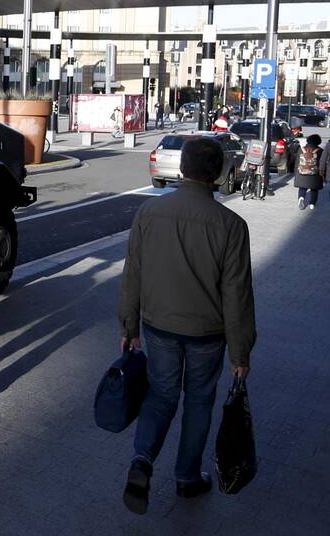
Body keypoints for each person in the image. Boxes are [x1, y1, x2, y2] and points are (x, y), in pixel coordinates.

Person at [118, 137, 256, 515]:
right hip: (207, 335)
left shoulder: (148, 213)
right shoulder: (232, 225)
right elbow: (237, 294)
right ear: (218, 174)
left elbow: (134, 274)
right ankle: (187, 477)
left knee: (161, 396)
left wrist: (129, 326)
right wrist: (240, 352)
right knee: (198, 402)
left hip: (158, 326)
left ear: (181, 169)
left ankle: (142, 461)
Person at [294, 133, 326, 210]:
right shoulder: (320, 151)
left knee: (302, 188)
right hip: (315, 174)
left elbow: (297, 162)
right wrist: (323, 174)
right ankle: (312, 204)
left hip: (302, 172)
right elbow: (322, 163)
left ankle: (301, 198)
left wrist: (296, 173)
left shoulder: (301, 149)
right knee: (314, 189)